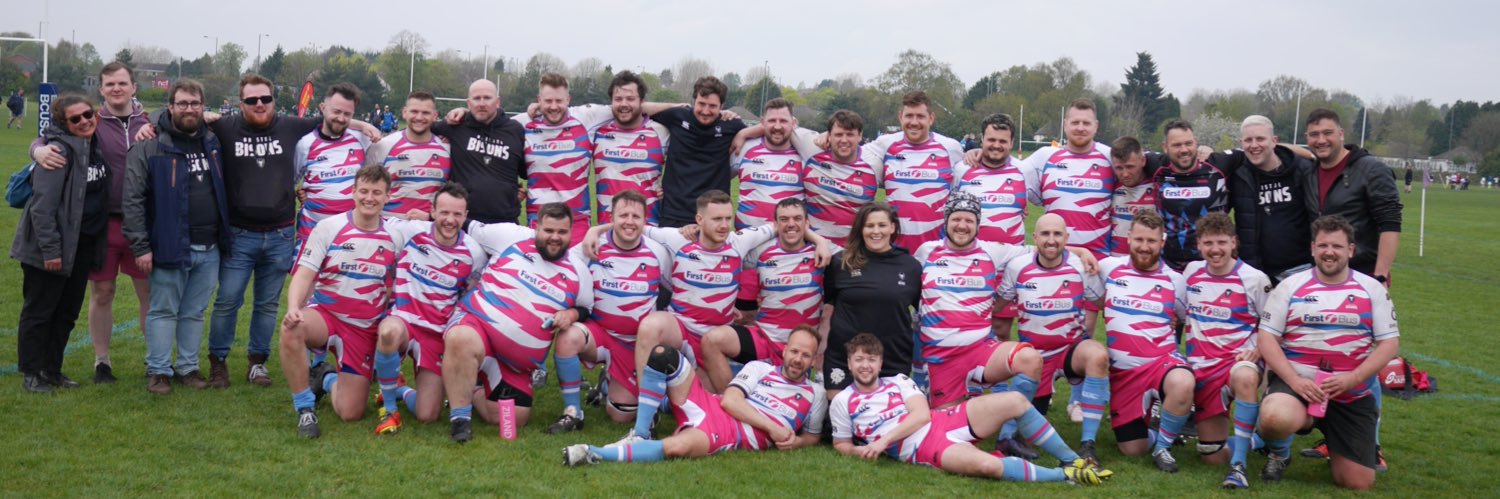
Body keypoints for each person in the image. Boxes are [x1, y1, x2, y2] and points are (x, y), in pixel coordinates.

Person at [199, 74, 378, 388]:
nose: (259, 104)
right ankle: (219, 363)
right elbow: (184, 118)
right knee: (228, 300)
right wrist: (199, 115)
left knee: (268, 304)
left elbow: (336, 120)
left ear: (273, 100)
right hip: (241, 234)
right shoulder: (225, 127)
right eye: (252, 100)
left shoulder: (291, 127)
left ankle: (258, 363)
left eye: (265, 99)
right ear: (240, 103)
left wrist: (362, 125)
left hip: (281, 234)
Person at [828, 334, 1111, 486]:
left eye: (871, 359)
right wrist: (860, 451)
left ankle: (1074, 460)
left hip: (941, 420)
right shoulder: (842, 401)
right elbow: (840, 443)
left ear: (880, 363)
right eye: (859, 360)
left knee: (1015, 401)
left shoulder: (898, 381)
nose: (865, 365)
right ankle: (1067, 477)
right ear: (850, 364)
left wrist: (882, 441)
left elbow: (922, 414)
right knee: (987, 466)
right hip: (922, 447)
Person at [1255, 215, 1399, 491]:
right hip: (1299, 385)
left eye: (1336, 246)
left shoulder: (1371, 290)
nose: (1329, 252)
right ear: (1312, 248)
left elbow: (1389, 344)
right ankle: (1289, 441)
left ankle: (1337, 437)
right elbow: (1267, 337)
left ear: (1351, 250)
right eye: (1322, 246)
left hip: (1349, 392)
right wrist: (1295, 381)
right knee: (1274, 418)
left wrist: (1352, 378)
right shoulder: (1290, 286)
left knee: (1356, 483)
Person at [29, 63, 152, 383]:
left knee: (149, 294)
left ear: (133, 87)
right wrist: (37, 150)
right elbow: (48, 139)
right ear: (101, 89)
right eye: (110, 83)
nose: (116, 88)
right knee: (102, 292)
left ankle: (156, 361)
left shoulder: (150, 121)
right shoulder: (90, 121)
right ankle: (102, 361)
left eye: (122, 83)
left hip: (142, 221)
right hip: (102, 223)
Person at [440, 203, 594, 443]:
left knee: (515, 416)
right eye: (548, 230)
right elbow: (469, 227)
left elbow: (587, 308)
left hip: (514, 365)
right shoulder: (511, 237)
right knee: (461, 339)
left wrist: (572, 314)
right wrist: (424, 219)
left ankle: (470, 382)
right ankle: (460, 420)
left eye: (562, 232)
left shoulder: (578, 271)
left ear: (571, 233)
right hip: (477, 326)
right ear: (536, 227)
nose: (555, 238)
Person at [563, 326, 825, 465]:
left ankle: (592, 453)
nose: (797, 359)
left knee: (676, 448)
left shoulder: (816, 394)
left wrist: (795, 443)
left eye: (805, 355)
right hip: (714, 405)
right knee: (662, 355)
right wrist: (773, 428)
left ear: (814, 360)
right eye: (794, 352)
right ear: (785, 350)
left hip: (728, 432)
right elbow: (730, 400)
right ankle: (640, 433)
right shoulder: (761, 368)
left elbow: (812, 437)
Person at [122, 78, 232, 395]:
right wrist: (141, 246)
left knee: (194, 312)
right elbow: (132, 200)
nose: (188, 109)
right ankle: (158, 370)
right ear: (170, 107)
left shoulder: (212, 142)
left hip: (209, 245)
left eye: (195, 103)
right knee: (163, 309)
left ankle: (187, 367)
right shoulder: (148, 145)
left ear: (203, 106)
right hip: (169, 242)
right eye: (182, 103)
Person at [279, 166, 402, 438]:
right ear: (353, 192)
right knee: (292, 328)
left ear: (387, 196)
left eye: (377, 193)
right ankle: (305, 409)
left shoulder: (396, 235)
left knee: (350, 413)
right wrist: (293, 308)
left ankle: (326, 377)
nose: (369, 198)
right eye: (364, 191)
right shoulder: (329, 227)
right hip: (326, 315)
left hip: (363, 329)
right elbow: (304, 274)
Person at [369, 183, 486, 434]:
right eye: (444, 212)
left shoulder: (473, 253)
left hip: (436, 333)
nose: (450, 220)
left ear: (466, 216)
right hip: (405, 321)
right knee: (388, 332)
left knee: (427, 415)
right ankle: (389, 410)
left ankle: (399, 388)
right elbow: (372, 222)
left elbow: (470, 298)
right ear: (432, 211)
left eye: (457, 214)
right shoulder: (410, 232)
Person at [996, 213, 1112, 466]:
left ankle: (1088, 444)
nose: (1051, 240)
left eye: (1057, 234)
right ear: (1034, 237)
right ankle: (1008, 436)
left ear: (1066, 238)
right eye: (1045, 234)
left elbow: (1104, 303)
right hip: (1034, 359)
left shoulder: (1080, 268)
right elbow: (997, 305)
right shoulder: (1018, 267)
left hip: (1070, 351)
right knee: (1026, 429)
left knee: (1097, 354)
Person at [11, 94, 107, 393]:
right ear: (62, 124)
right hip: (50, 248)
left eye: (87, 114)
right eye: (75, 119)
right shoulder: (56, 152)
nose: (84, 121)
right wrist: (51, 251)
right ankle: (31, 373)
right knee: (40, 311)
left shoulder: (93, 146)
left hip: (83, 245)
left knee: (66, 312)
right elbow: (42, 208)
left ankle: (52, 369)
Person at [555, 190, 671, 430]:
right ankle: (572, 412)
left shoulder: (657, 252)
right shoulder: (591, 247)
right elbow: (560, 270)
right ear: (611, 217)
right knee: (568, 337)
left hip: (635, 345)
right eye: (623, 215)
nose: (629, 221)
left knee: (620, 415)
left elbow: (677, 288)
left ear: (645, 219)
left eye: (636, 216)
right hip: (600, 335)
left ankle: (609, 384)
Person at [1179, 213, 1272, 489]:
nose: (1215, 249)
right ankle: (1258, 440)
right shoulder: (1191, 272)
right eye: (1208, 243)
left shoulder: (1254, 279)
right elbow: (1180, 312)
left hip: (1238, 363)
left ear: (1234, 242)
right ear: (1199, 244)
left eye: (1222, 242)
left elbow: (1272, 325)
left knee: (1244, 376)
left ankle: (1239, 466)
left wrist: (1257, 349)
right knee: (1211, 455)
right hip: (1202, 369)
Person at [1097, 208, 1193, 472]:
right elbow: (1092, 297)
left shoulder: (1176, 280)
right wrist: (1082, 252)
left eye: (1151, 241)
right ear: (1128, 238)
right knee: (1132, 449)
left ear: (1162, 242)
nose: (1144, 246)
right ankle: (1162, 428)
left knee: (1183, 381)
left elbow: (1184, 317)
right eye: (1139, 240)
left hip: (1160, 363)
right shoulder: (1108, 268)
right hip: (1124, 375)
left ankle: (1164, 446)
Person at [699, 198, 825, 393]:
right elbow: (719, 253)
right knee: (712, 340)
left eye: (797, 219)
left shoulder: (823, 254)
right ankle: (731, 403)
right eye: (784, 219)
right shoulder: (760, 253)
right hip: (764, 338)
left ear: (807, 224)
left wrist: (820, 241)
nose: (791, 224)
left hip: (801, 346)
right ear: (775, 225)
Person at [821, 202, 922, 400]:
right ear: (861, 229)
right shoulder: (840, 263)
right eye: (869, 226)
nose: (876, 231)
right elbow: (827, 306)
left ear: (892, 227)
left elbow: (924, 313)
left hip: (892, 358)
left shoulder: (911, 267)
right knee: (840, 421)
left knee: (885, 423)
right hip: (843, 358)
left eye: (882, 225)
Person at [952, 113, 1031, 341]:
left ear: (1012, 143)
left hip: (1009, 265)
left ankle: (996, 377)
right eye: (991, 139)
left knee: (1001, 330)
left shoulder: (1024, 171)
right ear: (982, 139)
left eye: (1002, 141)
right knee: (966, 325)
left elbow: (1035, 200)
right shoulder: (962, 170)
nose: (996, 145)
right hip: (970, 262)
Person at [1300, 108, 1402, 282]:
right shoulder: (1309, 172)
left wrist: (1380, 276)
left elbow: (1390, 223)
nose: (1321, 140)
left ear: (1341, 134)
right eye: (1314, 135)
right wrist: (1274, 145)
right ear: (1306, 138)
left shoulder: (1371, 170)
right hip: (1321, 277)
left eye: (1327, 133)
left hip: (1363, 276)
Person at [863, 91, 964, 251]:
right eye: (909, 116)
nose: (914, 122)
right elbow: (847, 150)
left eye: (920, 116)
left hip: (937, 251)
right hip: (895, 250)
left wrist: (975, 153)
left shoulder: (950, 148)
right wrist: (827, 137)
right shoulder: (884, 144)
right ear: (900, 117)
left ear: (931, 118)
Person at [640, 76, 747, 228]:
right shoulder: (678, 116)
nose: (705, 111)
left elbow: (769, 130)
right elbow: (639, 107)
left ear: (722, 106)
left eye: (712, 106)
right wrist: (674, 105)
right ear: (693, 101)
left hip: (712, 216)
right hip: (673, 213)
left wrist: (743, 134)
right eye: (701, 104)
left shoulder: (731, 125)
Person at [520, 73, 613, 244]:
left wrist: (678, 109)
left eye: (559, 101)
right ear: (539, 100)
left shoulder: (586, 117)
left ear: (568, 100)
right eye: (548, 101)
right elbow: (488, 119)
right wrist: (463, 111)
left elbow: (632, 105)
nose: (554, 106)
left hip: (576, 221)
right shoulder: (524, 123)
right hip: (539, 221)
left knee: (575, 270)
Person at [1230, 115, 1313, 283]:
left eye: (1260, 139)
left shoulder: (1303, 170)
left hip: (1300, 271)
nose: (1254, 145)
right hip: (1255, 273)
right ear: (1241, 143)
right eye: (1248, 140)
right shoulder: (1236, 174)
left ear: (1274, 140)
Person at [434, 79, 527, 224]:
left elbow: (526, 171)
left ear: (497, 102)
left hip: (505, 220)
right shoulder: (456, 125)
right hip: (465, 220)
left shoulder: (515, 130)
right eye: (476, 98)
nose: (482, 103)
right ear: (468, 103)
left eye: (487, 98)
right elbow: (419, 127)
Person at [294, 83, 372, 241]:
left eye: (347, 114)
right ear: (323, 107)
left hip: (351, 234)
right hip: (311, 232)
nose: (341, 119)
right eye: (336, 111)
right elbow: (290, 181)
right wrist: (301, 192)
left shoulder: (363, 140)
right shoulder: (305, 144)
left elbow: (376, 177)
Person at [592, 71, 670, 225]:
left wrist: (671, 189)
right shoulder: (597, 133)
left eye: (630, 99)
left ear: (642, 101)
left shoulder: (662, 132)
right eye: (618, 99)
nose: (624, 104)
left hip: (648, 229)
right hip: (607, 230)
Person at [1152, 119, 1230, 272]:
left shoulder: (1219, 166)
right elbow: (1124, 154)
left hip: (1212, 265)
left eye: (1188, 143)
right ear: (1165, 147)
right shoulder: (1156, 167)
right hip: (1168, 267)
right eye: (1176, 145)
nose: (1184, 149)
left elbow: (1264, 148)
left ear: (1196, 143)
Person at [800, 110, 879, 248]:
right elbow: (782, 123)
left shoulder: (874, 166)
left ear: (860, 135)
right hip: (812, 250)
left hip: (852, 253)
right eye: (838, 135)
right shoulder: (812, 152)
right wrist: (746, 133)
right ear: (829, 136)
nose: (844, 140)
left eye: (850, 135)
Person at [368, 91, 450, 221]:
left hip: (429, 233)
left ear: (435, 116)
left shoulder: (447, 151)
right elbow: (367, 190)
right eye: (414, 111)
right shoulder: (382, 146)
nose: (419, 117)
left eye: (426, 113)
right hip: (389, 230)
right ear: (404, 112)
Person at [1109, 137, 1155, 258]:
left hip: (1147, 263)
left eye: (1130, 167)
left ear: (1143, 160)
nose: (1125, 174)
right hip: (1115, 264)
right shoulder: (1110, 185)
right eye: (1119, 168)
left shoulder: (1158, 186)